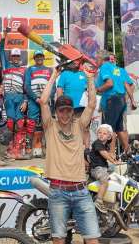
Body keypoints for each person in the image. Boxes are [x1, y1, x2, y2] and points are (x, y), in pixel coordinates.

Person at [40, 66, 100, 244]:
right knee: (58, 238)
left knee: (93, 238)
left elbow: (91, 104)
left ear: (72, 111)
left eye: (68, 110)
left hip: (81, 191)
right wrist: (54, 76)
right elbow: (43, 101)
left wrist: (89, 78)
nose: (65, 113)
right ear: (56, 112)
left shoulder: (79, 125)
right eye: (61, 110)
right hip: (58, 191)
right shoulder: (50, 126)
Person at [0, 31, 27, 159]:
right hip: (9, 97)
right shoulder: (6, 65)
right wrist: (4, 37)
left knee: (20, 123)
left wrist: (26, 101)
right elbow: (0, 50)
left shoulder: (24, 69)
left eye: (17, 56)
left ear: (19, 57)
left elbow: (26, 87)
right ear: (10, 57)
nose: (15, 58)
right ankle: (9, 150)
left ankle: (18, 150)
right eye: (13, 56)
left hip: (20, 97)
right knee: (10, 123)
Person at [95, 50, 130, 154]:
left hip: (112, 100)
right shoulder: (116, 68)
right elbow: (126, 84)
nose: (96, 61)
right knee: (119, 129)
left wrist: (97, 90)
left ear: (101, 59)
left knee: (109, 129)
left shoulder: (104, 67)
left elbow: (109, 84)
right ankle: (129, 154)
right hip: (120, 99)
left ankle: (111, 157)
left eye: (97, 59)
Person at [24, 50, 52, 158]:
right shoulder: (30, 69)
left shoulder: (49, 70)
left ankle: (47, 150)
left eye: (41, 56)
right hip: (34, 100)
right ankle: (28, 151)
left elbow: (52, 85)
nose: (39, 58)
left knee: (47, 125)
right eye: (37, 56)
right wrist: (35, 98)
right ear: (34, 58)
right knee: (31, 125)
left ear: (44, 57)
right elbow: (26, 86)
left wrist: (48, 97)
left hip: (45, 101)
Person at [56, 62, 89, 148]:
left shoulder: (84, 73)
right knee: (69, 129)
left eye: (77, 61)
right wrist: (59, 105)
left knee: (85, 128)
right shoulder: (64, 74)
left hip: (83, 107)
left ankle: (86, 150)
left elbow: (90, 87)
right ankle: (71, 148)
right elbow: (59, 89)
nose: (75, 63)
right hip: (69, 108)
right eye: (73, 61)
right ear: (69, 63)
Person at [89, 124, 120, 213]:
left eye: (104, 133)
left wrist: (116, 159)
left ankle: (110, 201)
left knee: (113, 177)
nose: (101, 134)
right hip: (97, 168)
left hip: (103, 168)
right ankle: (99, 200)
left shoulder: (105, 145)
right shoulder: (97, 143)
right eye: (99, 133)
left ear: (109, 136)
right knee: (105, 181)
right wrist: (113, 161)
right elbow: (104, 154)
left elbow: (109, 154)